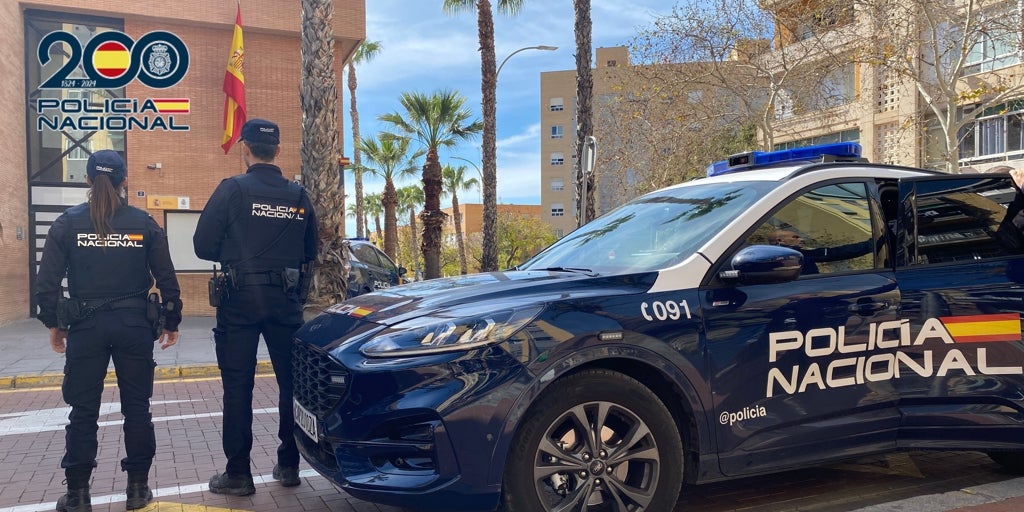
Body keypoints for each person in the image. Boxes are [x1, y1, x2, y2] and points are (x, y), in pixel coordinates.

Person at [35, 149, 182, 512]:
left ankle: (78, 495)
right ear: (124, 181)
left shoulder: (66, 223)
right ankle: (136, 490)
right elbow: (167, 277)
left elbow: (47, 283)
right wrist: (172, 321)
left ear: (86, 180)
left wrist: (54, 324)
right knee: (137, 409)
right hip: (134, 326)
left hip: (85, 327)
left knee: (83, 411)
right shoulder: (144, 222)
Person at [193, 118, 318, 495]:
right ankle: (289, 464)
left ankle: (238, 474)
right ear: (278, 151)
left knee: (237, 388)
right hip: (285, 300)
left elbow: (203, 246)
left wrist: (236, 251)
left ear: (244, 148)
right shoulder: (298, 196)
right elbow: (310, 251)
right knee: (290, 386)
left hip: (239, 301)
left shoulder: (231, 189)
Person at [771, 228, 873, 275]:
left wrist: (870, 245)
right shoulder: (798, 257)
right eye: (795, 237)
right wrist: (871, 245)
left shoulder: (804, 254)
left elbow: (836, 252)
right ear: (780, 241)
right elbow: (838, 253)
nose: (801, 239)